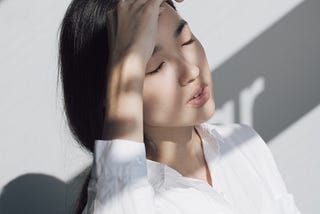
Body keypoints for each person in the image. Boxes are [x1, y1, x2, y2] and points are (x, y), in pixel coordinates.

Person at [58, 0, 302, 213]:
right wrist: (127, 63)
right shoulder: (133, 200)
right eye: (155, 66)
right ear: (112, 92)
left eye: (186, 40)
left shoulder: (243, 144)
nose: (191, 70)